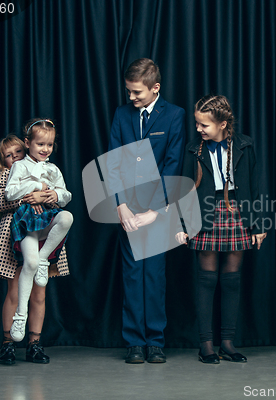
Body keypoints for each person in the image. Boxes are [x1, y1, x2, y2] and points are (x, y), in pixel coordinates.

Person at [176, 95, 267, 364]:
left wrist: (259, 224)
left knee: (232, 279)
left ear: (223, 124)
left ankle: (227, 342)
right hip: (204, 212)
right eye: (197, 124)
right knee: (206, 279)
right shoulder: (194, 149)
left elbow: (256, 184)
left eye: (204, 125)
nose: (199, 129)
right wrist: (182, 225)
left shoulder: (245, 145)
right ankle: (206, 345)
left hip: (238, 211)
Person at [108, 58, 185, 363]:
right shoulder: (122, 115)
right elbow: (113, 162)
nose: (131, 98)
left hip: (157, 210)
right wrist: (121, 205)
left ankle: (155, 340)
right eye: (128, 92)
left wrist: (156, 211)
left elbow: (173, 165)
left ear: (155, 88)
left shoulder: (175, 115)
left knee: (153, 276)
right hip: (128, 209)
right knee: (132, 276)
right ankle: (134, 342)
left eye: (136, 92)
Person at [0, 134, 70, 364]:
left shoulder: (39, 170)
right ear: (2, 161)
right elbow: (1, 202)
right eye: (8, 156)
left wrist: (46, 197)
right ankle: (8, 344)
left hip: (41, 231)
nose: (14, 159)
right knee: (14, 290)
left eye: (17, 153)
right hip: (13, 235)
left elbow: (57, 197)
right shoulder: (6, 174)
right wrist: (29, 199)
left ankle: (34, 344)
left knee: (39, 292)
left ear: (26, 150)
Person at [5, 119, 73, 347]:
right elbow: (10, 193)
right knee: (29, 265)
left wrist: (54, 195)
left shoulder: (53, 169)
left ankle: (44, 260)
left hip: (46, 220)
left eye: (50, 145)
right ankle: (20, 317)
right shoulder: (19, 166)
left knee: (67, 216)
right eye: (40, 144)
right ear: (28, 143)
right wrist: (37, 187)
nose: (45, 149)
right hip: (26, 221)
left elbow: (66, 195)